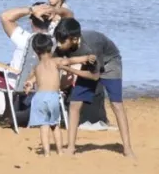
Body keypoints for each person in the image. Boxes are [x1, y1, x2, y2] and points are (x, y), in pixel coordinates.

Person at [54, 19, 134, 158]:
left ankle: (127, 148)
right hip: (90, 66)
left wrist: (68, 68)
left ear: (73, 39)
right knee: (74, 104)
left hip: (110, 64)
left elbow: (94, 76)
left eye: (62, 41)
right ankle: (71, 148)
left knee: (116, 105)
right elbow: (50, 62)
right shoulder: (63, 46)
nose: (59, 44)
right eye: (58, 40)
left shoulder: (90, 46)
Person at [22, 34, 65, 157]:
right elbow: (69, 61)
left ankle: (46, 153)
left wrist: (29, 84)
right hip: (53, 97)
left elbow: (31, 79)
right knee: (55, 126)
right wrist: (85, 58)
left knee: (44, 127)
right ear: (51, 48)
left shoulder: (37, 67)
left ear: (35, 51)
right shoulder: (55, 62)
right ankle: (60, 151)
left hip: (40, 97)